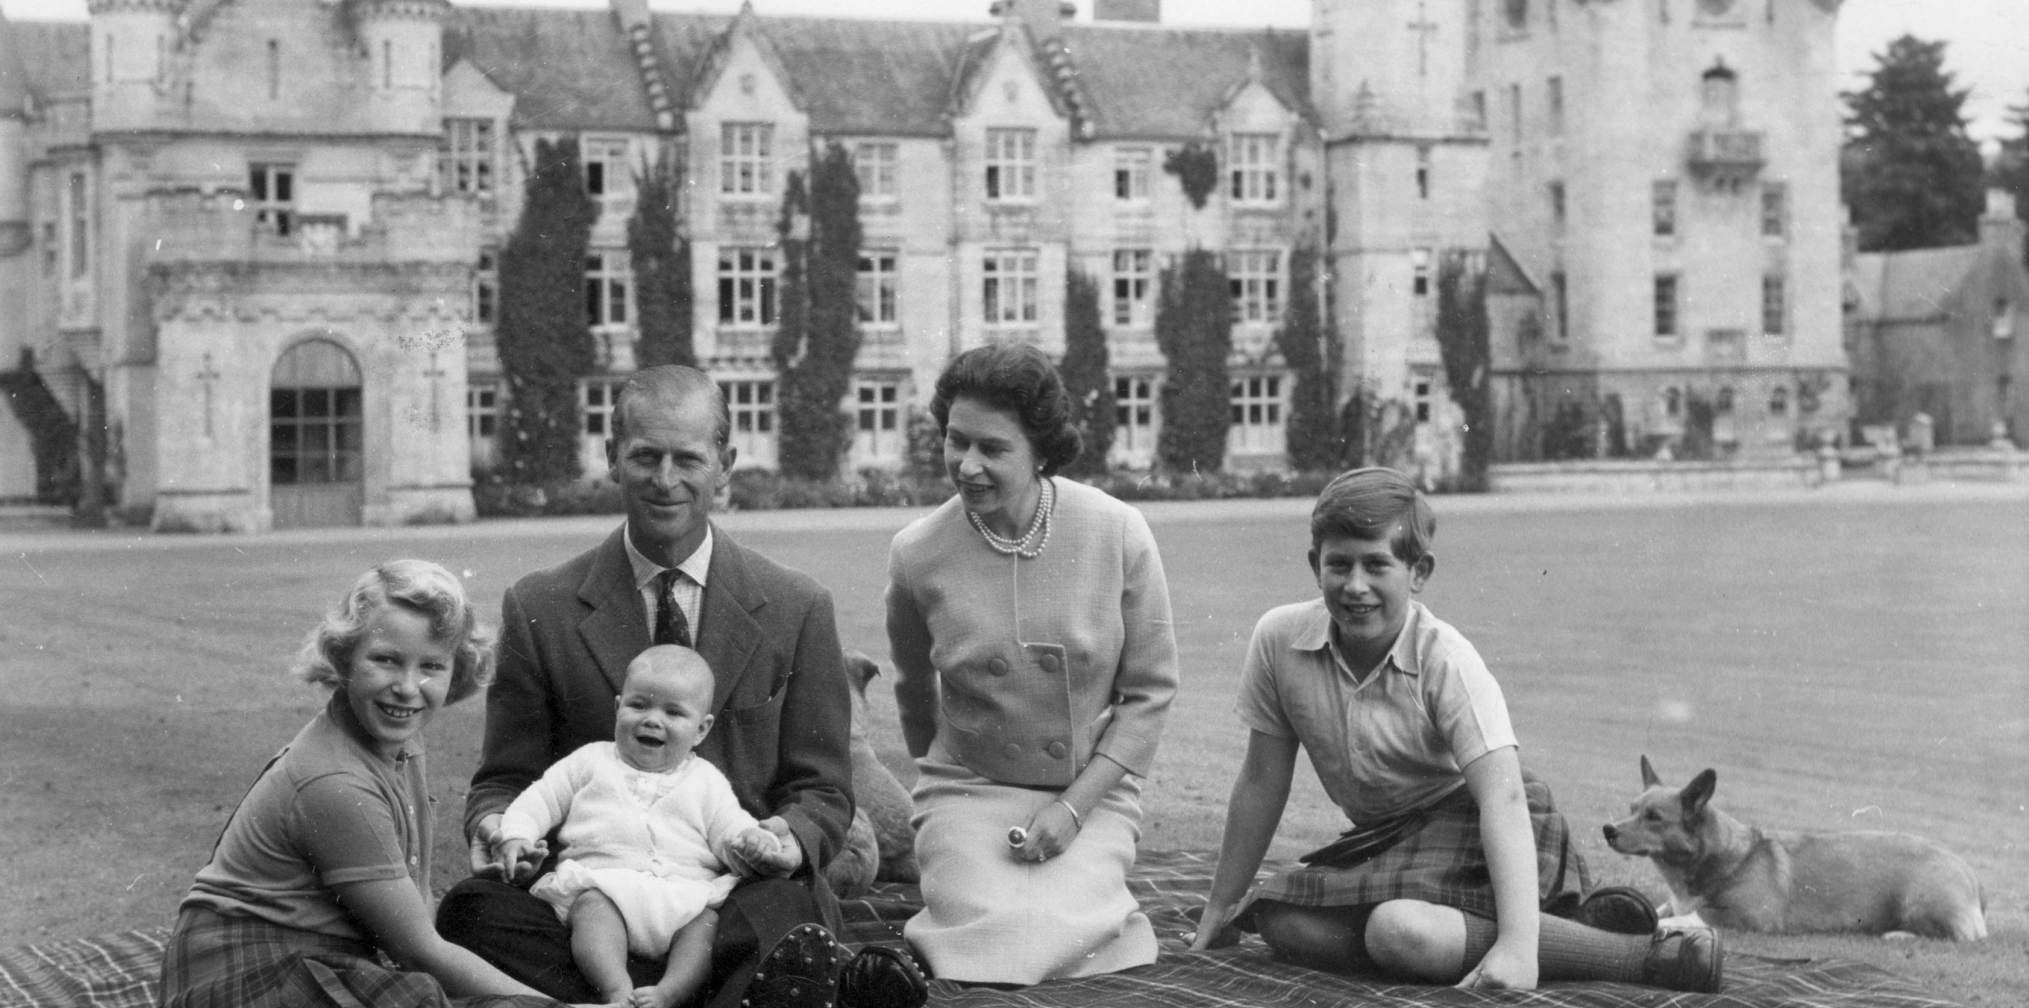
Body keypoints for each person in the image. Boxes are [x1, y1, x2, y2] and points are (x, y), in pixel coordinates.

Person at [436, 365, 925, 1008]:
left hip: (732, 894)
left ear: (725, 464)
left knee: (786, 907)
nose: (666, 480)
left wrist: (788, 838)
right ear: (612, 458)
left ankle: (633, 995)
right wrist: (498, 827)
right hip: (594, 900)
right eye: (645, 457)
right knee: (469, 912)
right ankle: (724, 992)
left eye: (688, 459)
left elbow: (824, 788)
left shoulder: (796, 606)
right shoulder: (540, 606)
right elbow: (505, 778)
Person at [1187, 468, 1723, 993]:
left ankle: (1644, 953)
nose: (1355, 586)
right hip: (1388, 839)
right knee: (1279, 920)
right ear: (1314, 565)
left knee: (1398, 930)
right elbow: (1261, 781)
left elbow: (1505, 798)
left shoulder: (1446, 660)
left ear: (1418, 572)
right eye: (1339, 565)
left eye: (1377, 565)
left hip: (1485, 822)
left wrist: (1516, 947)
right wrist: (1217, 908)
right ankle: (1568, 927)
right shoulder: (1279, 640)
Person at [159, 559, 580, 1008]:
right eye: (385, 660)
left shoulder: (402, 741)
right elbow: (419, 951)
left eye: (431, 666)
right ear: (344, 658)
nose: (406, 687)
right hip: (241, 974)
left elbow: (417, 910)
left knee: (478, 920)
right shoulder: (336, 782)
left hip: (312, 955)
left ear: (457, 671)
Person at [886, 343, 1179, 984]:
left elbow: (1151, 693)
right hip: (968, 787)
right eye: (955, 441)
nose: (967, 466)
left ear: (1041, 450)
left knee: (1067, 932)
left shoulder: (1119, 533)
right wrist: (950, 788)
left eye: (992, 449)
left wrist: (1074, 808)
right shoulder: (916, 553)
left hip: (1090, 792)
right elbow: (913, 691)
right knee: (987, 927)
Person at [496, 646, 787, 1008]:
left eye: (673, 712)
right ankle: (616, 990)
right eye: (638, 705)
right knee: (591, 911)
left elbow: (730, 827)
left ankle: (669, 993)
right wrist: (517, 834)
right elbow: (540, 798)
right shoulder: (591, 761)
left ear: (701, 729)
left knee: (706, 926)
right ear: (617, 708)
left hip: (683, 897)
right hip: (607, 885)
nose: (652, 720)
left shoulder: (706, 780)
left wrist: (753, 840)